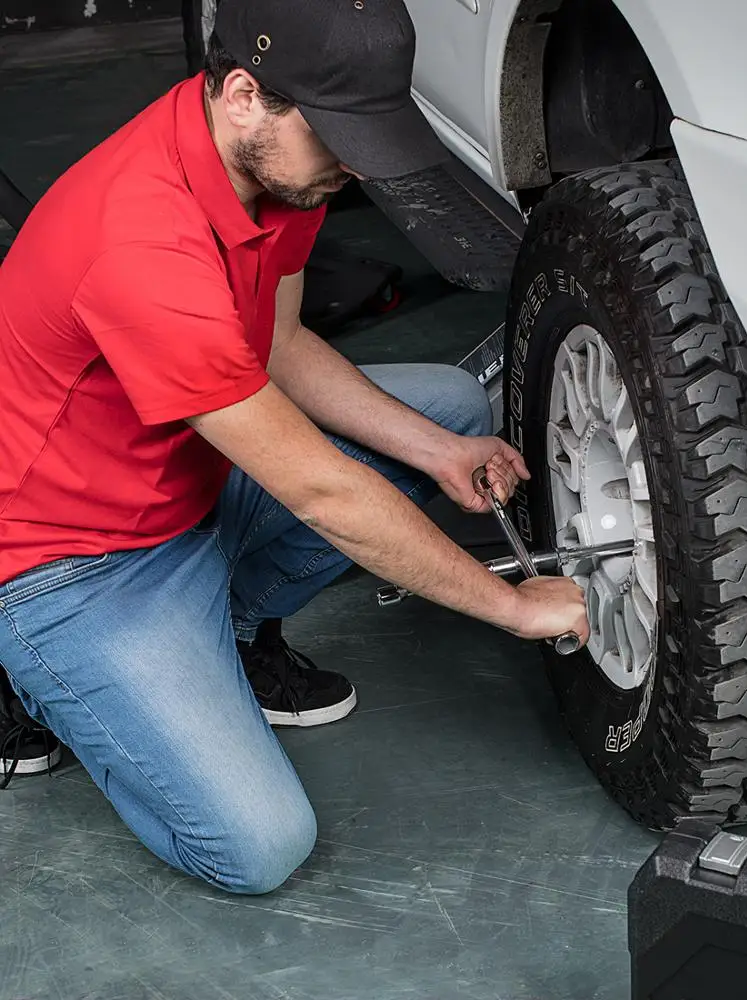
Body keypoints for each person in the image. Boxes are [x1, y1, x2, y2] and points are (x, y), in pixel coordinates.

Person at [0, 0, 588, 893]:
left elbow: (276, 346)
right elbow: (323, 493)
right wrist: (512, 607)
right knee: (258, 847)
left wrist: (435, 451)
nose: (356, 164)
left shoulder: (274, 167)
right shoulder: (140, 242)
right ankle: (45, 678)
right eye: (339, 136)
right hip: (70, 565)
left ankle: (223, 633)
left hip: (189, 484)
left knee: (449, 409)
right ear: (244, 95)